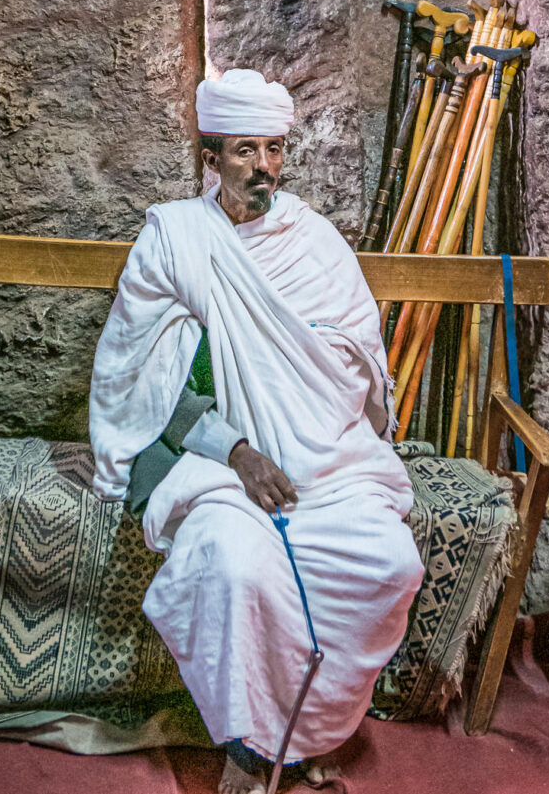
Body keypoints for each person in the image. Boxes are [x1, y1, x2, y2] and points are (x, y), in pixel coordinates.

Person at [89, 69, 424, 792]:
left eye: (274, 148)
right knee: (235, 565)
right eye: (245, 150)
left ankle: (308, 730)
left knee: (390, 563)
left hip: (325, 460)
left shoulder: (315, 242)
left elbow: (356, 357)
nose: (264, 166)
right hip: (210, 463)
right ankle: (250, 744)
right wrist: (236, 450)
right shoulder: (176, 241)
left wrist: (306, 378)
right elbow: (143, 382)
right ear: (210, 156)